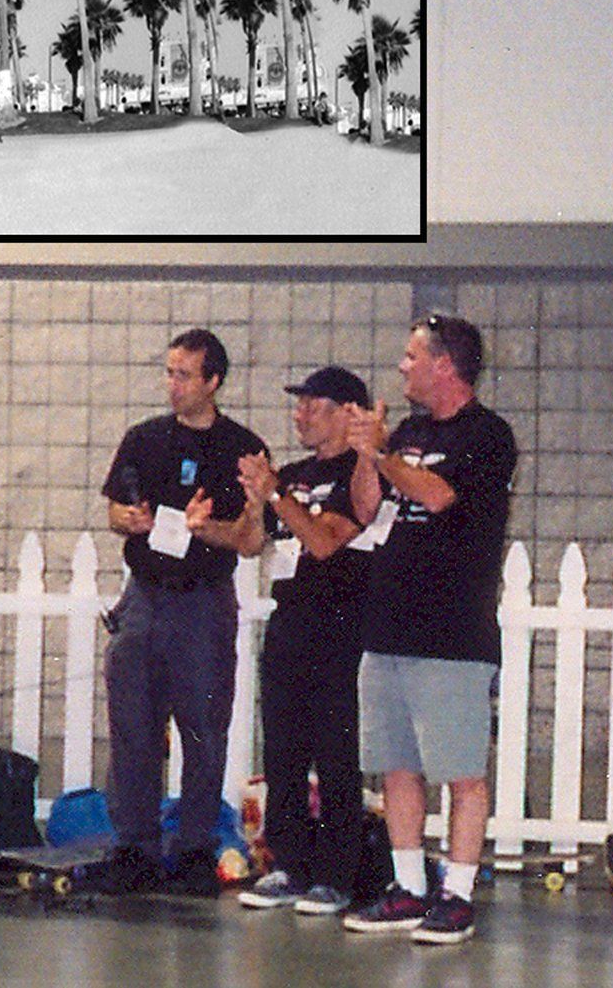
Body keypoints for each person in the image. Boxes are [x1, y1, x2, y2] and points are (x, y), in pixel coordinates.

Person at [341, 314, 517, 946]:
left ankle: (458, 894)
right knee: (395, 765)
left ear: (445, 365)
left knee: (462, 770)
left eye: (412, 356)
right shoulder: (407, 432)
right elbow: (366, 509)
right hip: (388, 626)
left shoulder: (487, 435)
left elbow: (439, 497)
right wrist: (369, 455)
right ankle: (409, 886)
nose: (401, 366)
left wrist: (383, 453)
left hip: (453, 632)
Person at [97, 329, 268, 897]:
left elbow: (250, 541)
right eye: (169, 373)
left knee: (202, 728)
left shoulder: (242, 449)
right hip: (145, 594)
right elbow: (115, 513)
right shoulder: (143, 440)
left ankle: (194, 846)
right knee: (134, 726)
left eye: (185, 375)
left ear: (213, 381)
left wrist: (205, 528)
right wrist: (131, 520)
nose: (173, 385)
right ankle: (135, 847)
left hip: (203, 601)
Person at [231, 366, 375, 918]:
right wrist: (241, 509)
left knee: (336, 751)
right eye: (298, 406)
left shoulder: (358, 477)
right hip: (290, 623)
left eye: (312, 406)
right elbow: (251, 543)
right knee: (284, 749)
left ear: (345, 414)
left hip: (341, 626)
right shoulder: (291, 475)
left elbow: (324, 542)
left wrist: (277, 495)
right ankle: (288, 862)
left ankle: (336, 874)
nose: (300, 415)